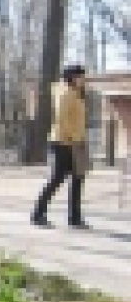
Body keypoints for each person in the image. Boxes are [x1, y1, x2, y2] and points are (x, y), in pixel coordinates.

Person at [32, 65, 91, 229]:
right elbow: (62, 118)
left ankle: (74, 218)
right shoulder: (65, 93)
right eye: (81, 76)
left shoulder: (75, 93)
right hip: (63, 142)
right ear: (72, 77)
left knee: (78, 178)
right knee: (57, 179)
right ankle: (37, 214)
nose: (83, 79)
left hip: (76, 141)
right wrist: (73, 137)